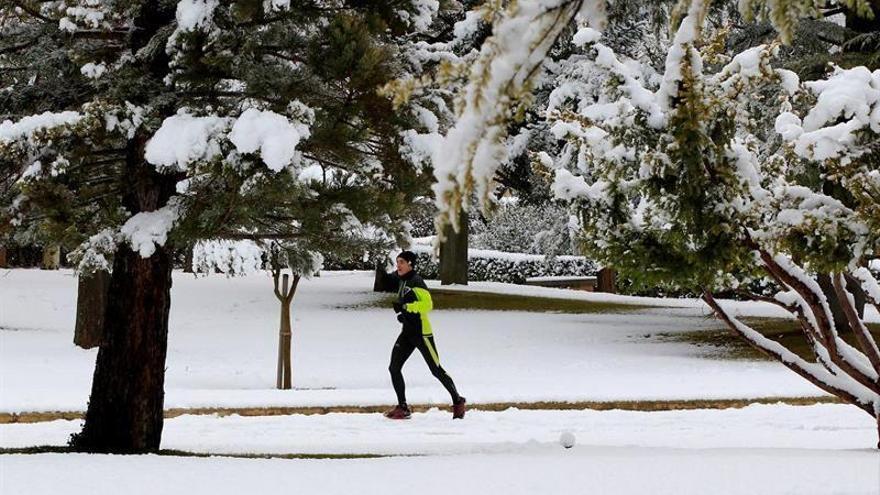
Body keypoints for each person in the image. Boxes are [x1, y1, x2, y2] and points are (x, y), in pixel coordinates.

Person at [377, 250, 466, 420]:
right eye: (397, 262)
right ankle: (403, 407)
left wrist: (408, 308)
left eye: (401, 262)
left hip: (422, 333)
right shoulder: (402, 280)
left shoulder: (416, 282)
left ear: (410, 263)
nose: (398, 265)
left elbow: (427, 305)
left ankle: (458, 400)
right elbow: (389, 281)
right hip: (407, 333)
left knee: (436, 370)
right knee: (394, 367)